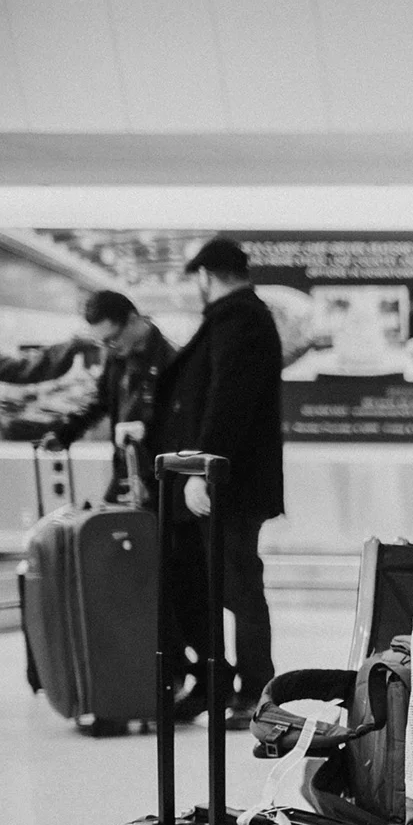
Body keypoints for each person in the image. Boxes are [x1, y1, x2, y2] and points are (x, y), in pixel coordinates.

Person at [149, 236, 286, 726]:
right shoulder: (240, 319)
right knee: (219, 586)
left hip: (230, 484)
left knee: (240, 589)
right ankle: (226, 686)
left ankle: (255, 694)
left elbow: (227, 400)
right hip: (228, 481)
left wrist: (203, 469)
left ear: (206, 276)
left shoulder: (240, 319)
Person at [41, 291, 177, 506]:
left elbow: (174, 435)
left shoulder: (171, 362)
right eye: (102, 343)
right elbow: (101, 400)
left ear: (133, 320)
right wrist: (67, 432)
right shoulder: (118, 356)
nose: (108, 348)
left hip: (156, 482)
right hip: (125, 471)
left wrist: (148, 482)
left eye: (112, 340)